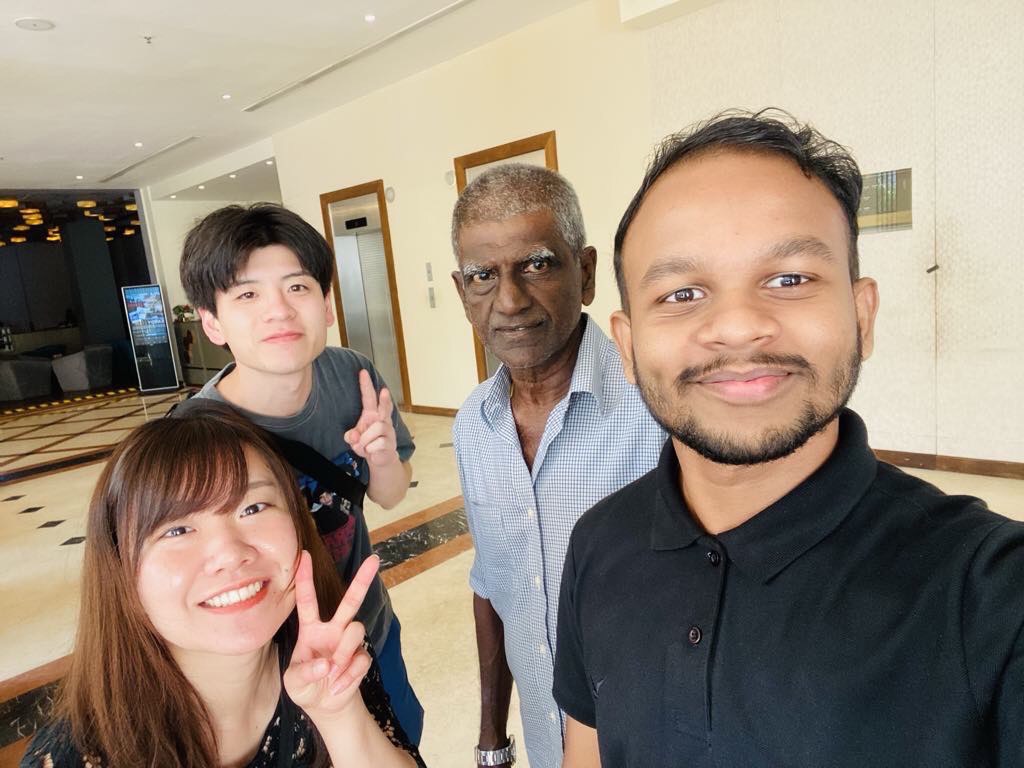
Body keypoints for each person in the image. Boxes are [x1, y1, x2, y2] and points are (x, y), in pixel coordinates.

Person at [553, 110, 1024, 766]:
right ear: (627, 347)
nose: (738, 326)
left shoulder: (993, 592)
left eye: (789, 280)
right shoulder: (597, 543)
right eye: (682, 293)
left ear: (862, 315)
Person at [21, 403, 423, 768]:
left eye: (253, 507)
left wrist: (339, 715)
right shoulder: (76, 757)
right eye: (177, 529)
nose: (230, 554)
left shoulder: (325, 657)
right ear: (121, 570)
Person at [176, 203, 423, 743]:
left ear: (326, 305)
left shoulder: (352, 375)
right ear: (211, 321)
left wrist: (382, 456)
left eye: (297, 287)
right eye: (247, 295)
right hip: (276, 673)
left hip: (369, 632)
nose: (279, 311)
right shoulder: (194, 437)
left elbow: (389, 495)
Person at [450, 164, 664, 768]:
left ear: (586, 273)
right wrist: (492, 739)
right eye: (483, 275)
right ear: (462, 292)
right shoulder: (474, 426)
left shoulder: (657, 406)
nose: (510, 300)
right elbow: (492, 585)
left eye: (537, 265)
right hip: (547, 743)